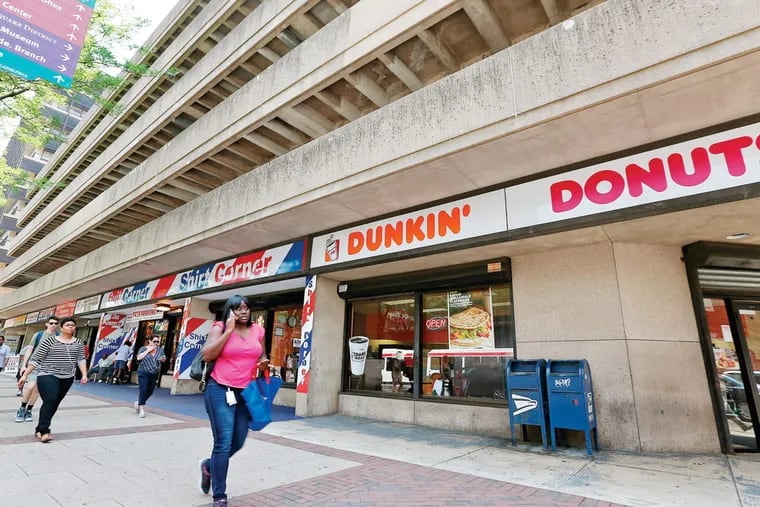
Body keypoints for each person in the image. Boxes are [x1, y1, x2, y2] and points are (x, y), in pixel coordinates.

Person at [198, 295, 268, 507]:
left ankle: (209, 466)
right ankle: (220, 495)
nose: (244, 312)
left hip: (245, 392)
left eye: (246, 308)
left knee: (238, 440)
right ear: (230, 311)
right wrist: (229, 330)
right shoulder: (219, 328)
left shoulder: (258, 330)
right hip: (220, 389)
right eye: (238, 309)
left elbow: (261, 351)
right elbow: (207, 355)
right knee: (223, 442)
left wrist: (263, 360)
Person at [17, 317, 87, 443]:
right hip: (47, 374)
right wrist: (25, 375)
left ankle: (39, 428)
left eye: (72, 325)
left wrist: (84, 374)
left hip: (67, 377)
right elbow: (36, 359)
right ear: (62, 328)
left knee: (54, 403)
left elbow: (81, 359)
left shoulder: (79, 343)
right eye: (67, 325)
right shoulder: (50, 341)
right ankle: (44, 430)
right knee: (51, 399)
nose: (70, 326)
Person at [14, 317, 59, 423]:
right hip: (34, 364)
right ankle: (22, 408)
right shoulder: (38, 335)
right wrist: (24, 365)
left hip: (48, 366)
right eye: (51, 323)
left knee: (38, 389)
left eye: (56, 323)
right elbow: (29, 350)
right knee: (30, 386)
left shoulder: (58, 337)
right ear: (47, 324)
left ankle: (29, 410)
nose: (53, 325)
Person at [133, 336, 166, 418]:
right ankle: (141, 409)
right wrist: (148, 350)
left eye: (158, 342)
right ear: (150, 341)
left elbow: (164, 358)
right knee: (143, 389)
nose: (156, 343)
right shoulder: (143, 349)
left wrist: (163, 359)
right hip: (143, 372)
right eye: (154, 341)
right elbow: (138, 358)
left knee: (150, 391)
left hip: (154, 373)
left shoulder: (159, 350)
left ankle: (139, 402)